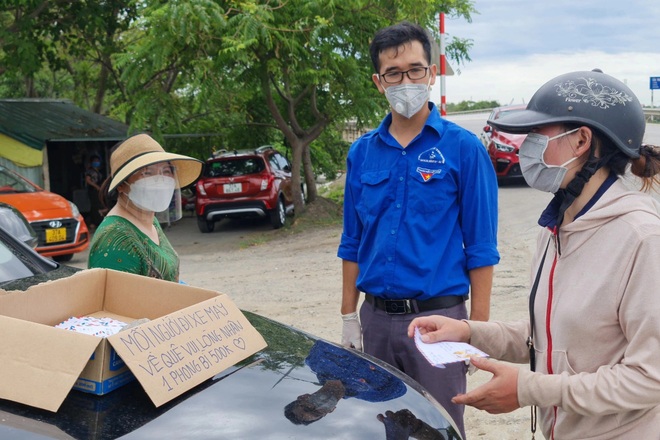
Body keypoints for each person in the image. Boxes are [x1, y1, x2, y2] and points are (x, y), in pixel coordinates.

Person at [408, 70, 660, 439]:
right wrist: (468, 332)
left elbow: (650, 378)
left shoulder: (641, 239)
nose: (526, 145)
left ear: (581, 141)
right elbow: (554, 334)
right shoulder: (558, 226)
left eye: (537, 134)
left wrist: (528, 388)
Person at [337, 21, 500, 438]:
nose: (405, 80)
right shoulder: (362, 153)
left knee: (438, 429)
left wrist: (475, 331)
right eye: (394, 73)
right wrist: (347, 316)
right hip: (374, 321)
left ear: (431, 73)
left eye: (415, 69)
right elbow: (352, 242)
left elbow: (481, 247)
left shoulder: (463, 149)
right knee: (379, 426)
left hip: (438, 322)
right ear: (379, 82)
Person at [88, 133, 203, 282]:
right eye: (147, 173)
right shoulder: (115, 238)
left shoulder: (150, 221)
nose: (159, 180)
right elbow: (115, 303)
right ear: (122, 185)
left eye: (166, 171)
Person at [84, 152, 105, 229]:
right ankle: (94, 222)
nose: (96, 162)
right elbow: (88, 180)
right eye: (95, 161)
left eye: (97, 161)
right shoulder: (90, 171)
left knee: (98, 205)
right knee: (94, 206)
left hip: (98, 190)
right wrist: (96, 186)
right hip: (93, 190)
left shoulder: (98, 171)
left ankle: (97, 221)